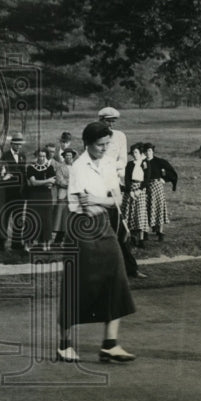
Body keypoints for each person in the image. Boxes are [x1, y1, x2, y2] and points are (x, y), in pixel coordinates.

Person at [59, 121, 136, 363]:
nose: (104, 149)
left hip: (104, 227)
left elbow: (118, 200)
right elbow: (86, 206)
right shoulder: (79, 167)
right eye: (100, 145)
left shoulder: (108, 163)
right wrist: (103, 200)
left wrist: (99, 199)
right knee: (77, 284)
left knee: (117, 277)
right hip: (81, 229)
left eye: (107, 144)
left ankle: (110, 344)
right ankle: (64, 345)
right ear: (88, 144)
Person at [24, 147, 57, 250]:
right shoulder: (31, 168)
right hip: (34, 197)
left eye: (44, 156)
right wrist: (47, 181)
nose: (42, 158)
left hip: (46, 197)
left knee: (46, 219)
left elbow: (52, 183)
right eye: (40, 156)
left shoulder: (50, 167)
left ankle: (44, 242)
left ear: (46, 156)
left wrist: (44, 182)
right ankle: (28, 243)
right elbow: (33, 183)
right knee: (32, 219)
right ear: (36, 156)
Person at [144, 143, 177, 240]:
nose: (148, 153)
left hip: (157, 187)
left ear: (153, 151)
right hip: (145, 188)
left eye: (149, 151)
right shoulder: (142, 163)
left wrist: (164, 179)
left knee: (159, 208)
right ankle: (145, 231)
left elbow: (171, 172)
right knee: (145, 208)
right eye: (146, 151)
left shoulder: (159, 162)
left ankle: (160, 231)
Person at [0, 131, 27, 250]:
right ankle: (1, 243)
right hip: (8, 192)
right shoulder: (5, 155)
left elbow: (24, 173)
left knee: (19, 218)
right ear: (12, 144)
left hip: (20, 193)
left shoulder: (22, 156)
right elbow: (3, 173)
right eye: (16, 144)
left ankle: (16, 243)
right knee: (5, 218)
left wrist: (25, 190)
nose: (19, 146)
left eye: (20, 144)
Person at [122, 143, 150, 247]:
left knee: (140, 214)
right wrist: (130, 191)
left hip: (140, 190)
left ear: (140, 153)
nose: (134, 154)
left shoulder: (145, 163)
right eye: (133, 152)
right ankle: (130, 238)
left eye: (136, 152)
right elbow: (127, 179)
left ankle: (141, 239)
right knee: (129, 214)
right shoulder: (130, 164)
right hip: (131, 190)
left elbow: (147, 178)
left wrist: (140, 189)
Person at [98, 106, 128, 187]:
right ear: (100, 121)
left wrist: (110, 167)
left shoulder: (120, 136)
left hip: (114, 177)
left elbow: (123, 161)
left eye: (113, 121)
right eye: (108, 121)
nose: (111, 124)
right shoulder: (93, 135)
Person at [0, 145, 16, 251]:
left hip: (1, 193)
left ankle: (0, 241)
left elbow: (9, 175)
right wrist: (3, 178)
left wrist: (7, 176)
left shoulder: (4, 164)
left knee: (0, 215)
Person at [52, 147, 76, 244]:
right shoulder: (60, 167)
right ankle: (58, 240)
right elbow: (60, 181)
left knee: (72, 217)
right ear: (64, 157)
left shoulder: (76, 167)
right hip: (63, 195)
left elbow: (79, 180)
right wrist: (71, 184)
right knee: (61, 217)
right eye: (67, 156)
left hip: (74, 196)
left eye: (70, 156)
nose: (69, 157)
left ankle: (69, 240)